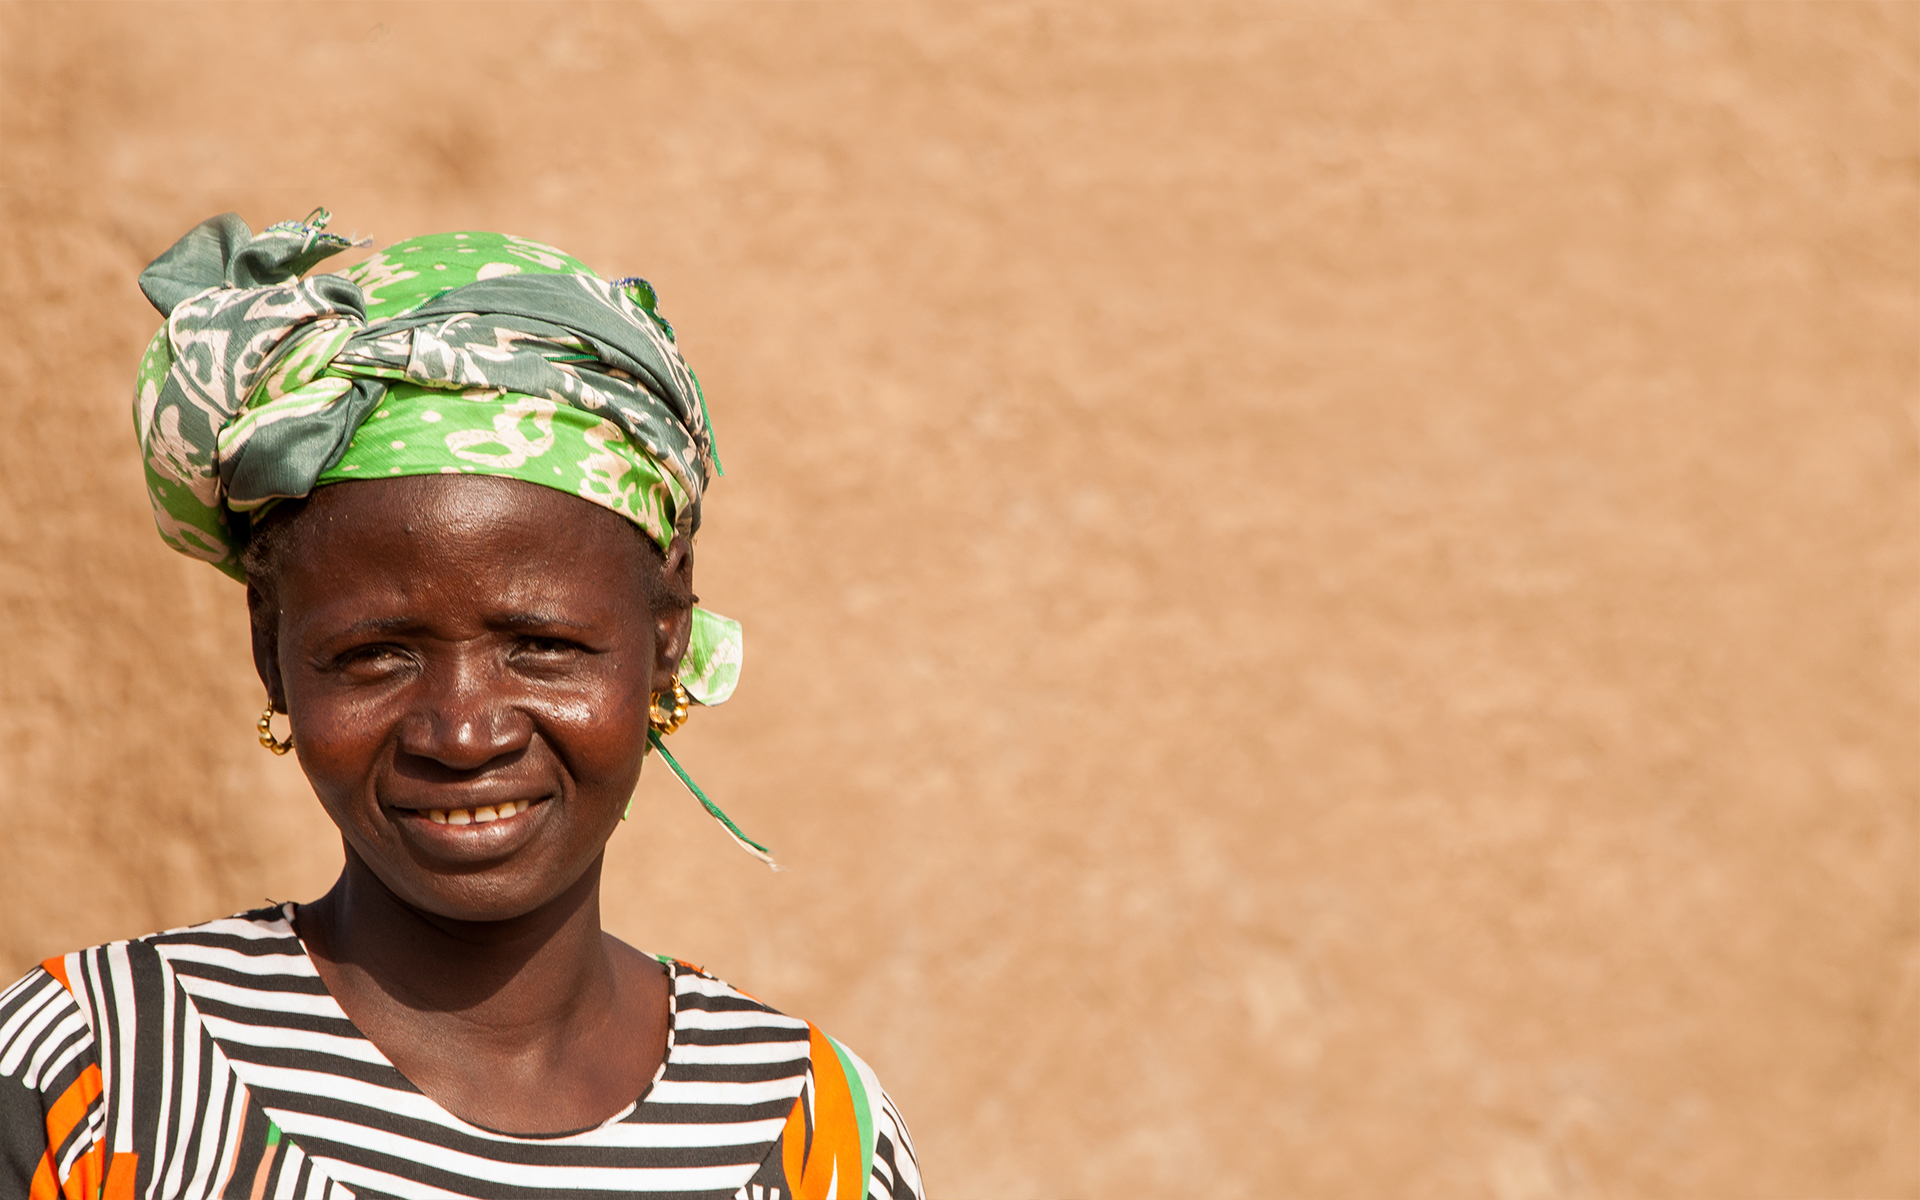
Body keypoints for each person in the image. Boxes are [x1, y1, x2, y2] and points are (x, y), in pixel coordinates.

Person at [0, 212, 924, 1200]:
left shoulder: (810, 1133)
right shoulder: (99, 1076)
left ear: (666, 627)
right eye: (376, 655)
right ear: (270, 645)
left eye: (543, 647)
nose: (463, 732)